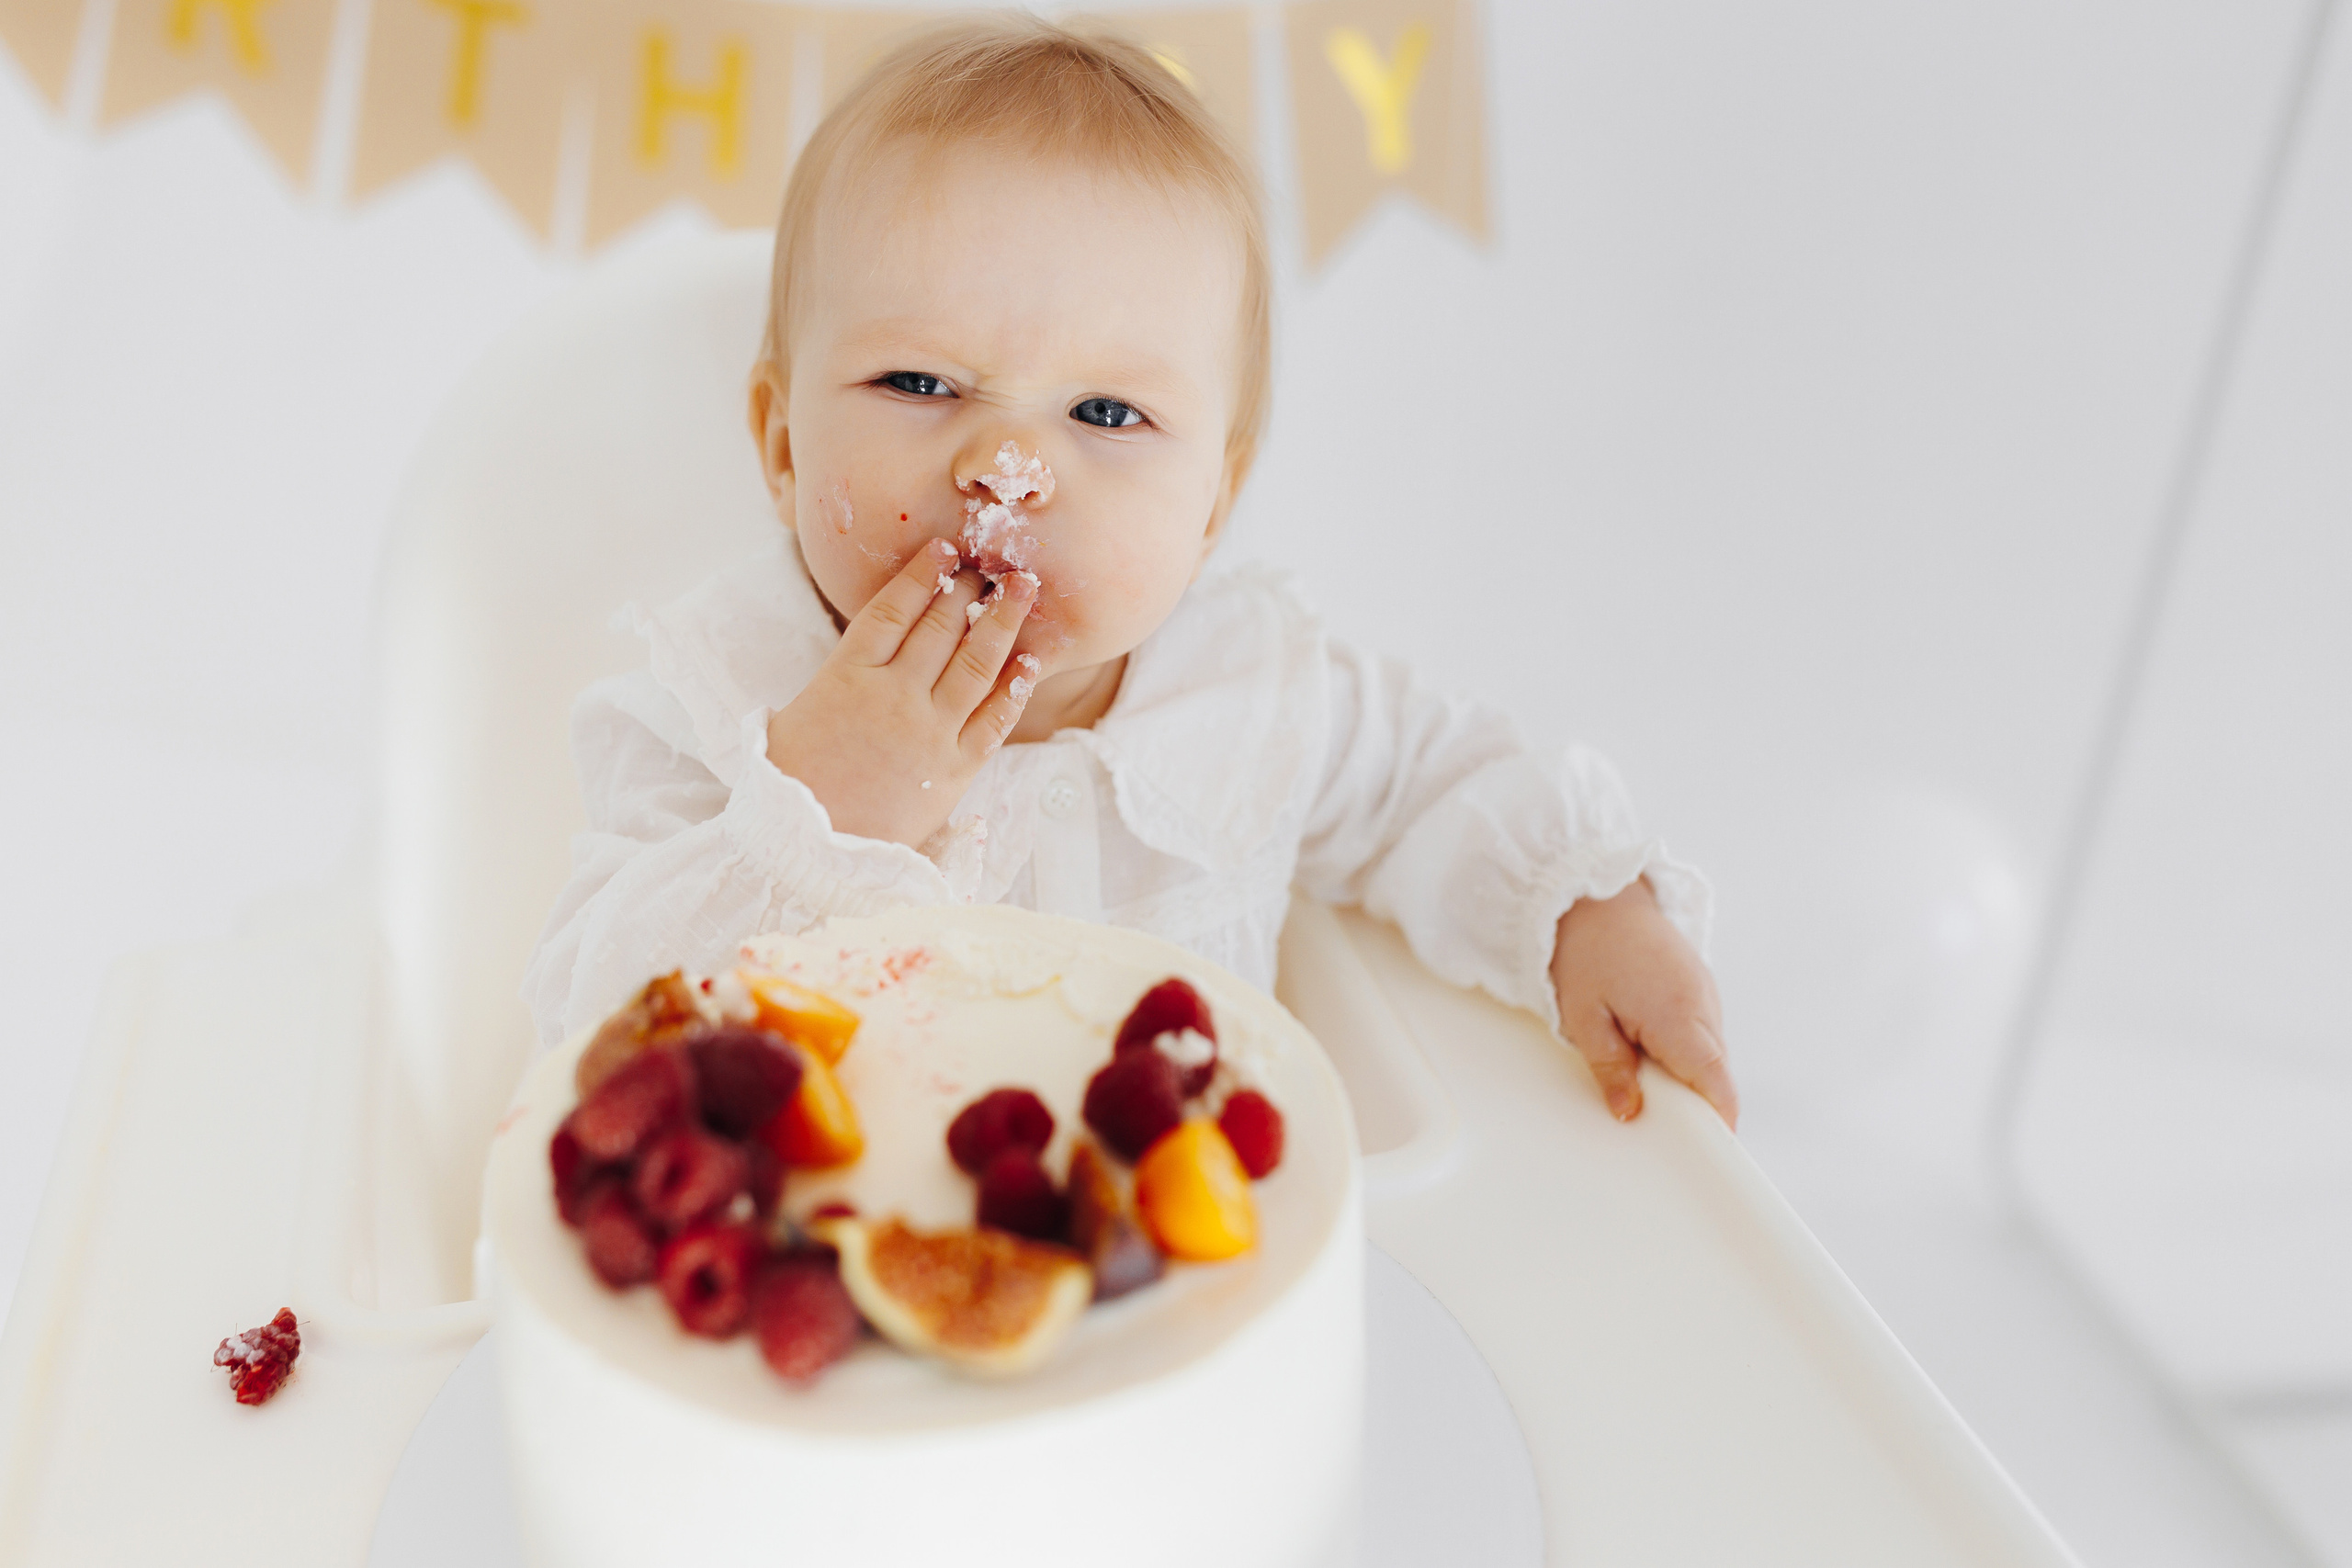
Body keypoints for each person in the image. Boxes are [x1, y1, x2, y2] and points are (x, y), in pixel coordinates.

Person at [525, 15, 1736, 1129]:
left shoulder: (1249, 686)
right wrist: (813, 814)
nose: (1007, 468)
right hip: (819, 1295)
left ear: (1213, 502)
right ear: (784, 448)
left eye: (1104, 412)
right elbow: (584, 1037)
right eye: (921, 385)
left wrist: (1584, 913)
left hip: (1182, 1289)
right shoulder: (715, 697)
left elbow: (1436, 783)